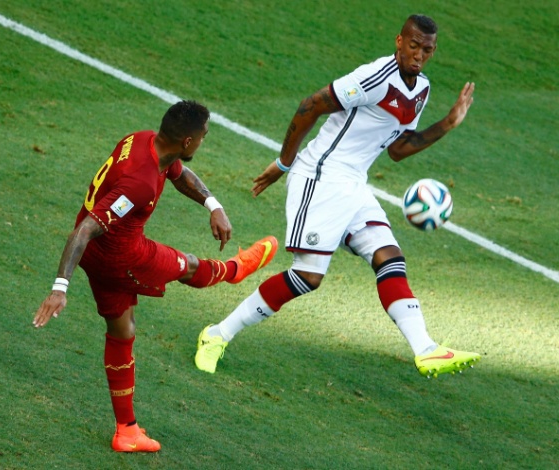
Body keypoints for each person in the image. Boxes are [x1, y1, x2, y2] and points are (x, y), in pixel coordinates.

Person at [195, 15, 481, 378]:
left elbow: (398, 148)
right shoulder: (375, 77)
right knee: (307, 277)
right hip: (321, 177)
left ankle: (426, 349)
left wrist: (448, 123)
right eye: (413, 45)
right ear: (399, 41)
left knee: (390, 258)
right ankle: (217, 335)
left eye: (427, 49)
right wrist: (284, 163)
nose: (419, 55)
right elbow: (311, 104)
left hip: (354, 184)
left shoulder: (420, 89)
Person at [32, 100, 278, 453]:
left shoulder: (142, 139)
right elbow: (86, 230)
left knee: (122, 332)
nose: (204, 141)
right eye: (204, 136)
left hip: (97, 257)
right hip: (123, 257)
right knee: (187, 265)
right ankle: (234, 270)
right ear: (188, 141)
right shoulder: (141, 183)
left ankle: (126, 431)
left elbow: (178, 173)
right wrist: (59, 288)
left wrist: (213, 205)